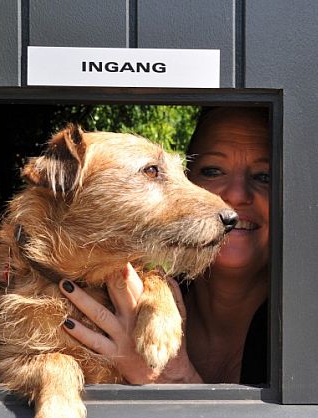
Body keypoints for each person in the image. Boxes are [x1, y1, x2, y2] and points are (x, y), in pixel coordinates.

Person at [58, 107, 270, 384]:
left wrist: (172, 376)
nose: (236, 195)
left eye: (264, 176)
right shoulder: (128, 296)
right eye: (212, 171)